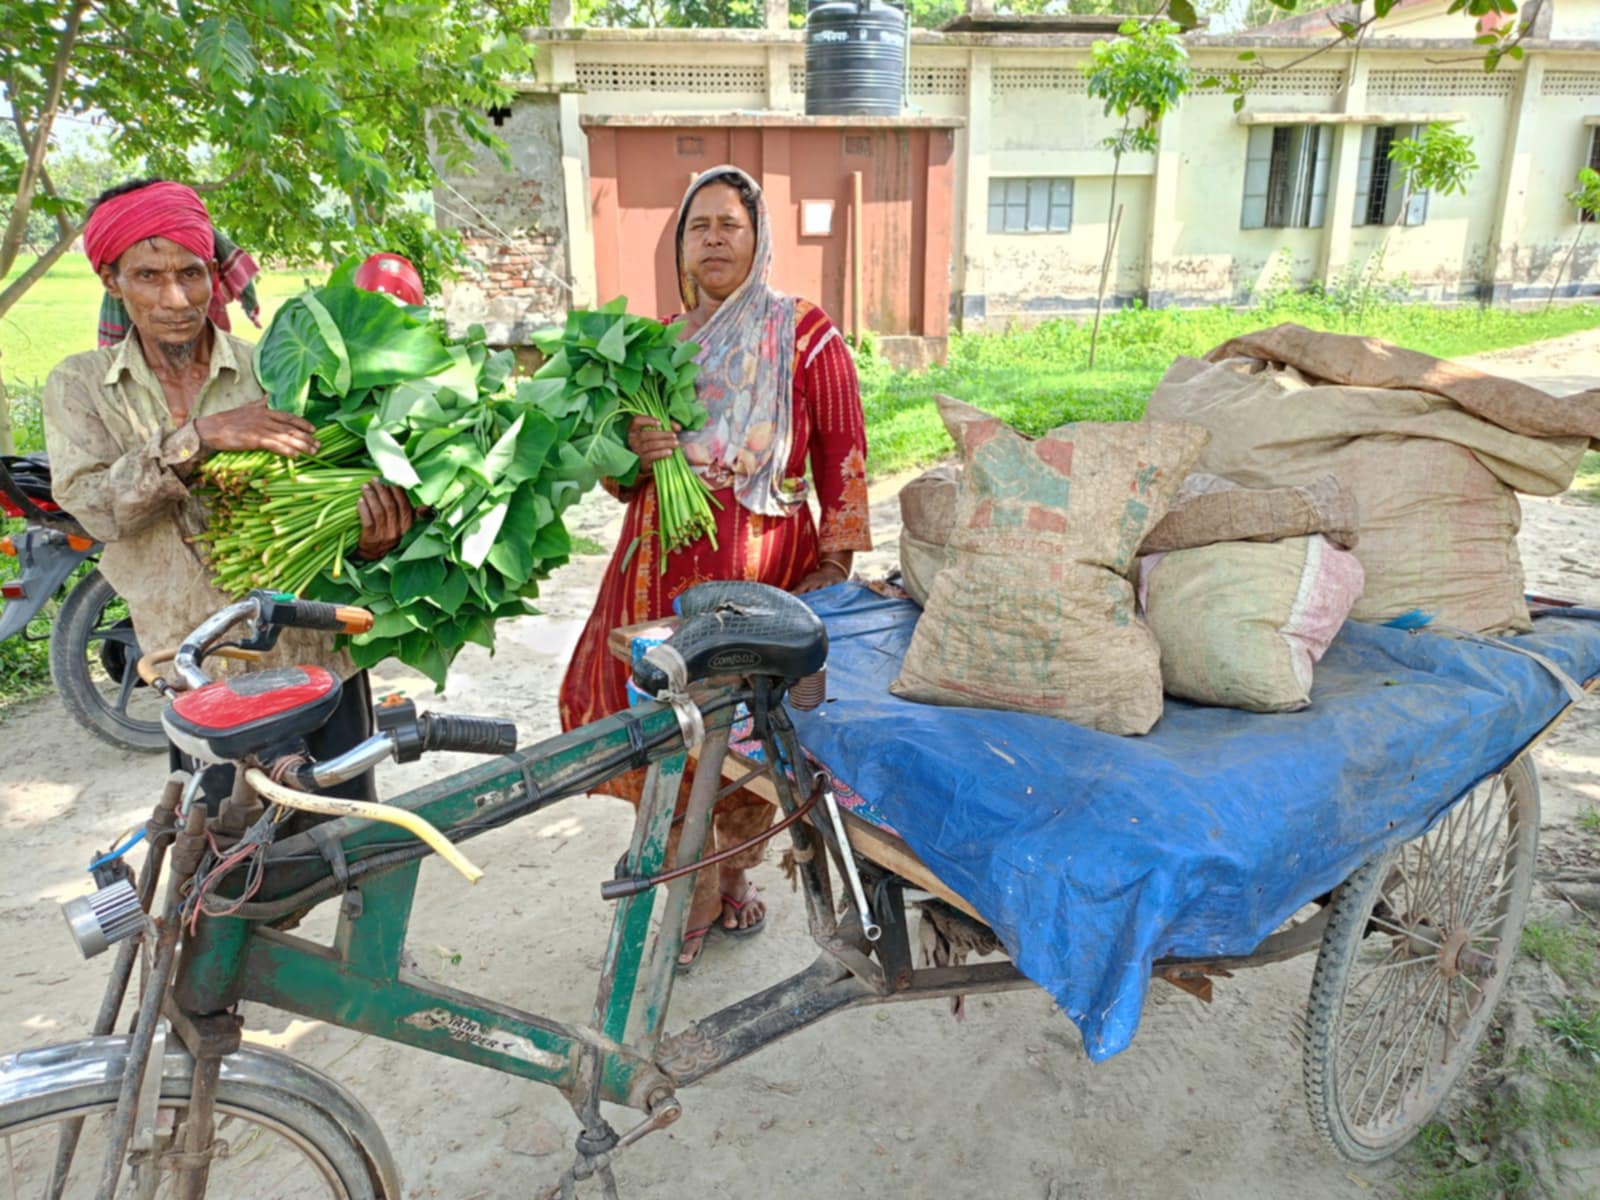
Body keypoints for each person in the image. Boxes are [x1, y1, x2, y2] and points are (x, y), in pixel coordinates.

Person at [559, 165, 871, 972]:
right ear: (681, 247)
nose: (715, 239)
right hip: (659, 573)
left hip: (764, 573)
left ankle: (719, 879)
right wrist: (634, 451)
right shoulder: (657, 348)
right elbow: (619, 477)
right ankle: (694, 885)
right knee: (670, 727)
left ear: (759, 237)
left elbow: (844, 450)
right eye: (699, 226)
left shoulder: (804, 333)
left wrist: (834, 560)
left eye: (731, 224)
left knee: (743, 733)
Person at [42, 180, 413, 796]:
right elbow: (98, 512)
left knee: (351, 849)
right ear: (112, 279)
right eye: (148, 277)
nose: (175, 298)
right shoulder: (82, 386)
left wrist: (369, 541)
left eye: (192, 273)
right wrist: (199, 438)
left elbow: (327, 503)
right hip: (201, 679)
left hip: (316, 665)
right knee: (228, 869)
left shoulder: (275, 369)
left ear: (214, 272)